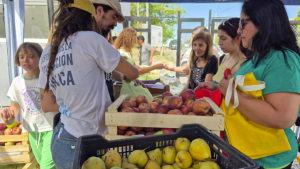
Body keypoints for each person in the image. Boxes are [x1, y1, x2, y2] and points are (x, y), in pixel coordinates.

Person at [195, 0, 300, 168]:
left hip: (267, 160)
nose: (239, 30)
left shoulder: (281, 58)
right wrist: (219, 89)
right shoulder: (258, 58)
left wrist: (231, 92)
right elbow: (252, 95)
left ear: (264, 22)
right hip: (245, 154)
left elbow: (283, 117)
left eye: (243, 24)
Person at [39, 0, 139, 168]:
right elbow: (133, 73)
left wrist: (73, 104)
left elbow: (46, 104)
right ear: (90, 18)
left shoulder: (48, 50)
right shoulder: (92, 39)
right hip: (85, 142)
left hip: (62, 139)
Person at [1, 42, 57, 169]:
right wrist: (10, 121)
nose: (25, 60)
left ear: (41, 57)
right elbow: (14, 110)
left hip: (52, 128)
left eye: (31, 56)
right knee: (42, 163)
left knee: (46, 166)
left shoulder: (50, 78)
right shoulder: (16, 82)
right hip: (32, 131)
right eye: (21, 57)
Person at [177, 31, 218, 96]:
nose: (196, 48)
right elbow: (189, 83)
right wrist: (178, 96)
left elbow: (205, 87)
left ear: (208, 46)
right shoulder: (194, 59)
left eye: (201, 45)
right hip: (191, 97)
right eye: (195, 45)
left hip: (202, 99)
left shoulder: (212, 60)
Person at [212, 18, 246, 84]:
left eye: (223, 39)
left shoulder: (243, 64)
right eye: (219, 38)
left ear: (237, 38)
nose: (219, 43)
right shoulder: (223, 58)